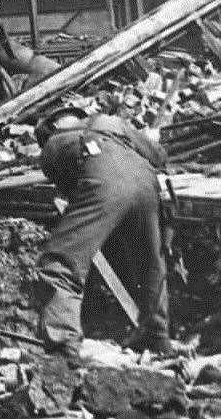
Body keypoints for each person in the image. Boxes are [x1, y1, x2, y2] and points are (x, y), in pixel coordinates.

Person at [34, 106, 180, 360]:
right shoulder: (110, 121)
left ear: (52, 129)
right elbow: (159, 155)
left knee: (60, 261)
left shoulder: (53, 146)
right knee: (150, 263)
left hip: (103, 180)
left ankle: (61, 344)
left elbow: (76, 195)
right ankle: (156, 335)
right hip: (146, 181)